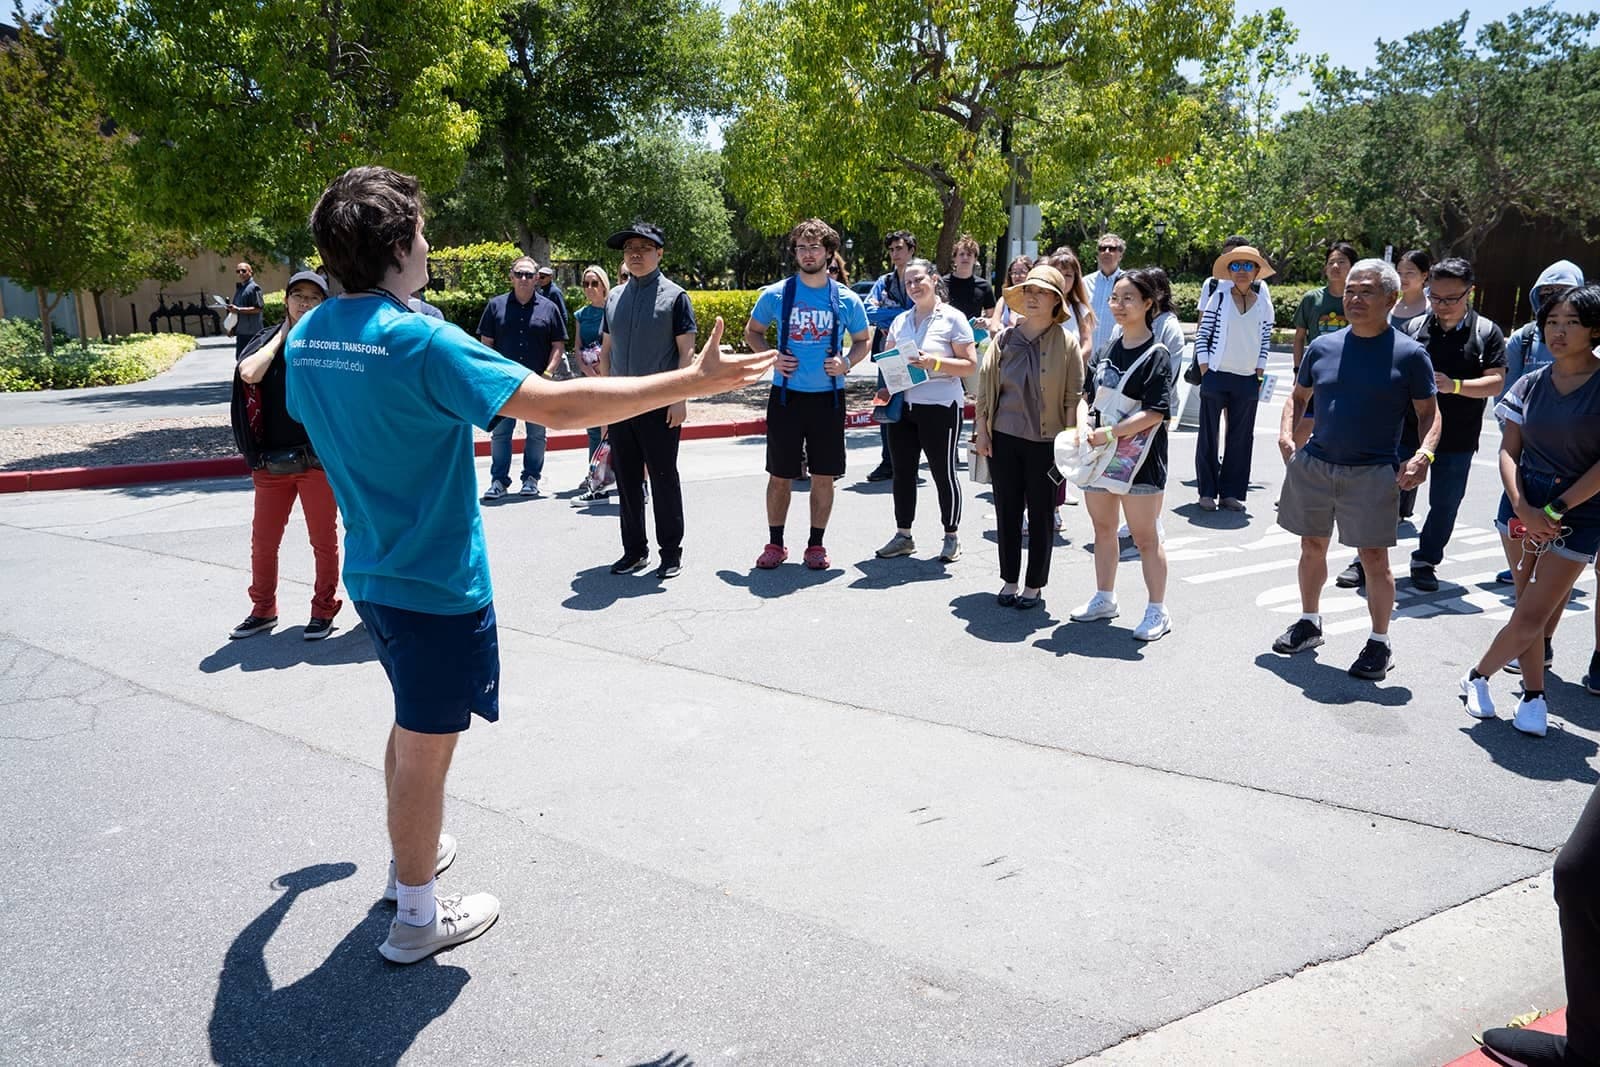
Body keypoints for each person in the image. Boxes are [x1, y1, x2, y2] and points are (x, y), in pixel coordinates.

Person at [284, 165, 771, 965]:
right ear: (398, 246)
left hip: (371, 571)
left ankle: (412, 854)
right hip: (435, 583)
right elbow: (559, 405)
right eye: (421, 230)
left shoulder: (310, 335)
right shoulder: (419, 340)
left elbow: (313, 413)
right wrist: (692, 380)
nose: (429, 243)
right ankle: (415, 915)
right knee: (428, 746)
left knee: (410, 723)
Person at [1271, 259, 1438, 680]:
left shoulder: (1410, 354)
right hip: (1315, 465)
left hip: (1372, 471)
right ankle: (1309, 622)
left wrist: (1424, 454)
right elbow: (1298, 396)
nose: (1355, 298)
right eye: (1350, 290)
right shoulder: (1322, 347)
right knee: (1311, 546)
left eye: (1366, 291)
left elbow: (1430, 414)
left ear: (1391, 299)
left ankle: (1380, 642)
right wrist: (1286, 432)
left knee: (1374, 559)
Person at [1459, 284, 1600, 738]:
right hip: (1522, 502)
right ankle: (1534, 695)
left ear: (1594, 330)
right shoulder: (1531, 383)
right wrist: (1523, 507)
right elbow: (1508, 451)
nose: (1558, 332)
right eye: (1551, 322)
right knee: (1527, 607)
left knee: (1534, 613)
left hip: (1578, 513)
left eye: (1571, 323)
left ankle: (1477, 675)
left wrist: (1556, 509)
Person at [743, 219, 871, 570]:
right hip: (786, 397)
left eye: (815, 247)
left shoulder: (845, 298)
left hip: (828, 399)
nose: (808, 253)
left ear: (829, 253)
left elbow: (863, 340)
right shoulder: (777, 294)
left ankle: (816, 544)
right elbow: (753, 332)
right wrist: (771, 356)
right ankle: (775, 543)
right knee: (779, 475)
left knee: (823, 475)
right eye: (802, 247)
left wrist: (846, 362)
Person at [227, 270, 341, 641]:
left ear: (324, 303)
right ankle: (263, 610)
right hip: (272, 461)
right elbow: (248, 373)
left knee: (323, 541)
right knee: (264, 542)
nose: (305, 303)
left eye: (313, 297)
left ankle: (323, 609)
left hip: (317, 461)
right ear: (286, 300)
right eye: (298, 296)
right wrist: (284, 334)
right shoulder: (266, 340)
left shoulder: (332, 345)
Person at [1071, 269, 1175, 640]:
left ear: (1148, 303)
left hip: (1139, 459)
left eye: (1128, 298)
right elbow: (1085, 397)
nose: (1118, 305)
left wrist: (1110, 433)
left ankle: (1157, 610)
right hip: (1100, 455)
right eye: (1115, 298)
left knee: (1145, 538)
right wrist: (1082, 426)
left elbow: (1156, 412)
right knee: (1103, 530)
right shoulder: (1105, 350)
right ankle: (1105, 597)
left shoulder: (1157, 355)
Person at [1391, 258, 1507, 591]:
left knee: (1444, 504)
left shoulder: (1486, 332)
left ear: (1470, 292)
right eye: (1436, 297)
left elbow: (1496, 382)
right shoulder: (1414, 328)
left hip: (1458, 436)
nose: (1442, 305)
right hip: (1408, 431)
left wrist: (1454, 385)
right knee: (1385, 494)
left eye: (1451, 298)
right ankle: (1367, 557)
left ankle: (1426, 560)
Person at [973, 264, 1082, 608]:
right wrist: (982, 433)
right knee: (1007, 511)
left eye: (1043, 292)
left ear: (1056, 300)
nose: (1033, 298)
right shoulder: (1004, 339)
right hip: (1004, 437)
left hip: (1046, 443)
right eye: (1029, 291)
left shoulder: (1067, 343)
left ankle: (1034, 584)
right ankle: (1009, 579)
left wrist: (1069, 443)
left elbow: (1073, 398)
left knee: (1041, 514)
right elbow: (985, 391)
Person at [596, 222, 698, 579]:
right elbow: (606, 352)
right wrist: (604, 401)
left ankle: (670, 552)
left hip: (659, 405)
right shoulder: (614, 297)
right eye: (629, 249)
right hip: (620, 404)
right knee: (626, 480)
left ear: (660, 253)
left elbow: (687, 353)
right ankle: (634, 551)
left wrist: (679, 398)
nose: (635, 254)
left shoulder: (676, 297)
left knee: (663, 477)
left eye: (644, 248)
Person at [873, 258, 978, 563]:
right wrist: (887, 386)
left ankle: (951, 536)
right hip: (903, 406)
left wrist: (934, 362)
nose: (914, 286)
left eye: (919, 279)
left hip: (940, 405)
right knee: (903, 473)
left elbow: (970, 365)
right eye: (908, 282)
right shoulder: (901, 321)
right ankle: (903, 535)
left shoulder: (953, 318)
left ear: (934, 279)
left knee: (943, 473)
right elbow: (891, 361)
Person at [1493, 259, 1587, 586]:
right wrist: (1520, 438)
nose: (1559, 330)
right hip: (1529, 461)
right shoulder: (1524, 339)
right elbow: (1508, 396)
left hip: (1576, 470)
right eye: (1547, 293)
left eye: (1563, 292)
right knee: (1527, 590)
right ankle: (1523, 563)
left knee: (1546, 591)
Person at [476, 256, 567, 500]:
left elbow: (558, 345)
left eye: (528, 274)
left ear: (537, 278)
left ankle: (531, 479)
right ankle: (499, 481)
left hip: (537, 382)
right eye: (519, 274)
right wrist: (491, 375)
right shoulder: (495, 306)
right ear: (511, 276)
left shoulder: (549, 308)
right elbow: (486, 344)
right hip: (503, 383)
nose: (524, 278)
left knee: (536, 434)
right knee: (500, 434)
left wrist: (548, 374)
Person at [1193, 245, 1275, 512]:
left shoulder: (1263, 302)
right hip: (1216, 375)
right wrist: (1206, 369)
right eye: (1236, 266)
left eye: (1248, 266)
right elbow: (1203, 334)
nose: (1242, 271)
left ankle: (1231, 492)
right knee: (1209, 435)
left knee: (1241, 438)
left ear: (1256, 271)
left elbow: (1265, 340)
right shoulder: (1219, 297)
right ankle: (1207, 491)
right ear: (1229, 271)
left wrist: (1259, 372)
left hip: (1247, 379)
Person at [1286, 242, 1356, 455]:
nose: (1335, 267)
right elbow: (1299, 337)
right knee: (1302, 426)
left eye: (1341, 262)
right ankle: (1295, 468)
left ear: (1353, 267)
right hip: (1316, 373)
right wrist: (1298, 370)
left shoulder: (1358, 301)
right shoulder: (1312, 299)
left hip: (1349, 374)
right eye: (1331, 262)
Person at [864, 230, 918, 482]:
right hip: (887, 355)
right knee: (887, 407)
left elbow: (920, 310)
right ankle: (888, 462)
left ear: (911, 250)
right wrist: (899, 317)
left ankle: (910, 462)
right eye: (892, 249)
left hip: (916, 354)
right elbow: (869, 312)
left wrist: (891, 317)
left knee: (915, 409)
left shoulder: (920, 279)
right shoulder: (883, 282)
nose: (895, 253)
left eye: (900, 248)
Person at [572, 265, 612, 503]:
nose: (589, 288)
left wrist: (604, 369)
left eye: (594, 283)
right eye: (585, 283)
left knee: (613, 428)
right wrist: (586, 369)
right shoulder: (581, 314)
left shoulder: (613, 310)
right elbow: (577, 347)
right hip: (589, 377)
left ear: (604, 285)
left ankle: (619, 474)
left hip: (611, 376)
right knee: (594, 428)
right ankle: (594, 474)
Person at [1085, 233, 1127, 352]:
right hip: (1089, 354)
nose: (1106, 252)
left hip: (1117, 352)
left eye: (1112, 249)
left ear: (1120, 255)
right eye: (1102, 249)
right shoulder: (1085, 283)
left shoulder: (1128, 283)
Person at [943, 233, 995, 322]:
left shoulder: (984, 286)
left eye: (969, 254)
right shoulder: (943, 284)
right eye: (961, 254)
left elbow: (992, 317)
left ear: (975, 259)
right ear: (954, 258)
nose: (965, 257)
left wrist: (985, 321)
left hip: (972, 330)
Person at [227, 261, 265, 358]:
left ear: (250, 272)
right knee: (240, 358)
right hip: (241, 332)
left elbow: (258, 309)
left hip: (253, 333)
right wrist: (233, 328)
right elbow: (236, 312)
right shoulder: (240, 289)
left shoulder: (254, 288)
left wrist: (238, 309)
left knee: (252, 360)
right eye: (238, 271)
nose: (240, 273)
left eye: (243, 271)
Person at [1388, 249, 1432, 331]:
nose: (1402, 278)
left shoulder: (1433, 310)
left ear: (1424, 275)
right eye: (1399, 273)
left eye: (1409, 273)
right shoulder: (1387, 307)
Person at [990, 256, 1034, 332]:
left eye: (1022, 272)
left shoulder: (1034, 299)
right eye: (1014, 272)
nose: (1017, 276)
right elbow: (993, 329)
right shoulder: (1003, 300)